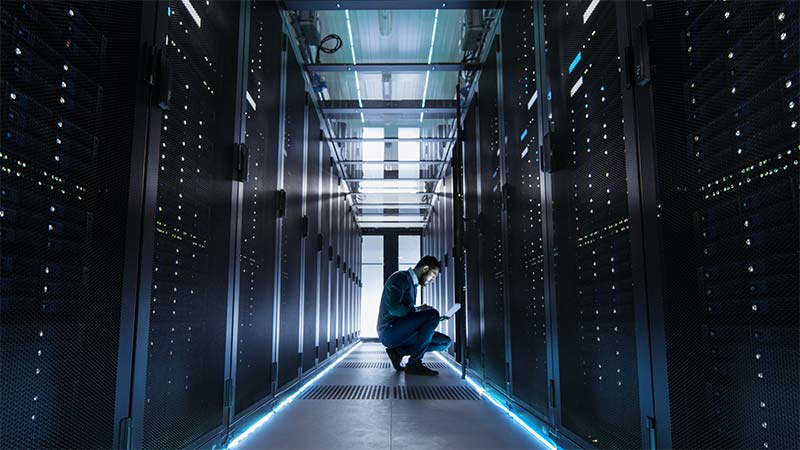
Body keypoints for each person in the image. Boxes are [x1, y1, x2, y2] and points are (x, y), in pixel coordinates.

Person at [376, 255, 452, 376]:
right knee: (432, 314)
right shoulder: (400, 278)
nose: (432, 280)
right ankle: (414, 364)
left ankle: (398, 352)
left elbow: (407, 313)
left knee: (444, 342)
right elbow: (395, 309)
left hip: (400, 331)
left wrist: (435, 318)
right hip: (389, 331)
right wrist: (417, 310)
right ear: (425, 269)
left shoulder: (412, 284)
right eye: (433, 275)